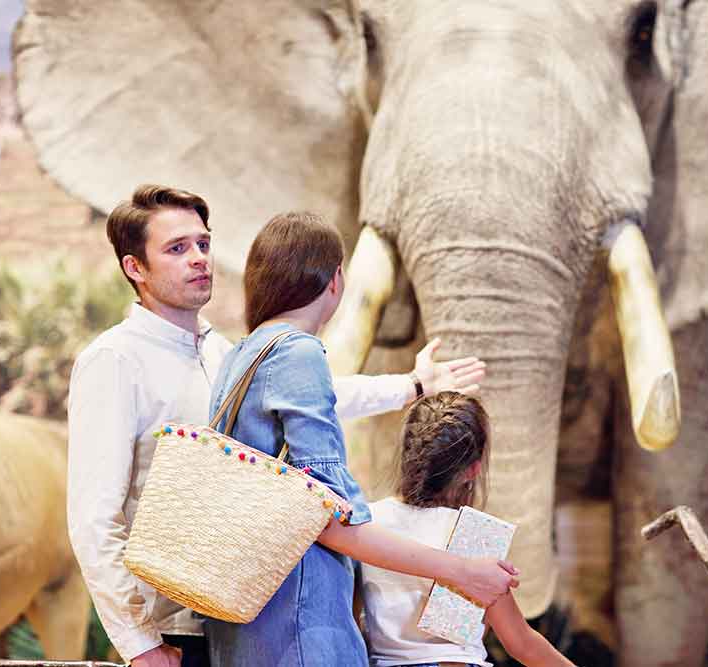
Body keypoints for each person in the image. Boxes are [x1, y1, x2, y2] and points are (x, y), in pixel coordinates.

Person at [67, 185, 487, 667]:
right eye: (177, 248)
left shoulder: (225, 353)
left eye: (203, 243)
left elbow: (316, 398)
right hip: (172, 627)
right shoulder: (114, 360)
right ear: (134, 267)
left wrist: (410, 387)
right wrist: (140, 644)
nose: (199, 259)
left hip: (239, 616)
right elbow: (93, 519)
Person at [204, 210, 517, 667]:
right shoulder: (301, 352)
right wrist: (462, 572)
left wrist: (412, 386)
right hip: (300, 625)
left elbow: (333, 399)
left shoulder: (239, 357)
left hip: (244, 623)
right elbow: (336, 520)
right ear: (335, 280)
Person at [360, 391, 576, 667]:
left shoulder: (367, 523)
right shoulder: (475, 534)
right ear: (474, 469)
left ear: (407, 453)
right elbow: (522, 644)